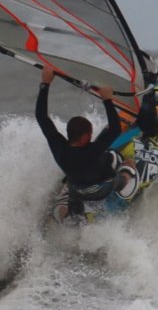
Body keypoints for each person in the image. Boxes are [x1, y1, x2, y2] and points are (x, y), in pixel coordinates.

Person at [36, 68, 126, 218]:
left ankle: (73, 212)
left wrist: (45, 84)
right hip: (101, 190)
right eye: (90, 133)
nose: (92, 136)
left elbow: (42, 117)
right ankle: (127, 179)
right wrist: (108, 100)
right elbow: (116, 129)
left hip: (77, 189)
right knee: (124, 163)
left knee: (73, 185)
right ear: (85, 136)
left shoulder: (60, 149)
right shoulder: (93, 150)